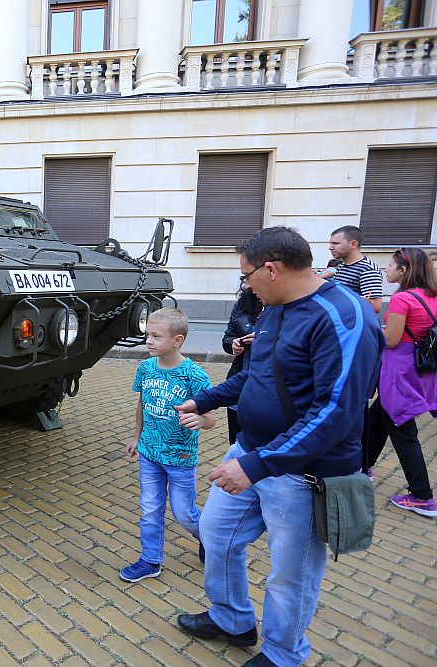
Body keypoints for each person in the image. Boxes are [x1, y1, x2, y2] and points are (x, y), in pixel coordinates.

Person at [175, 226, 384, 667]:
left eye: (247, 276)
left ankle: (283, 654)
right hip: (252, 453)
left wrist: (257, 465)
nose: (245, 286)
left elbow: (337, 411)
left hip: (301, 471)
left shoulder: (344, 316)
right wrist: (206, 398)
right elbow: (257, 374)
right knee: (216, 535)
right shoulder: (274, 308)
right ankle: (232, 619)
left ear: (271, 269)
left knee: (292, 574)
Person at [121, 308, 214, 583]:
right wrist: (136, 437)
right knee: (150, 509)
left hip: (180, 458)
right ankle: (150, 560)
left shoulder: (194, 375)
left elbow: (211, 419)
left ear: (178, 340)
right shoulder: (145, 368)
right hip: (149, 453)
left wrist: (201, 419)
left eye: (156, 336)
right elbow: (142, 404)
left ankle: (210, 538)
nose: (148, 341)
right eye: (147, 334)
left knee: (184, 513)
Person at [364, 247, 437, 516]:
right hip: (420, 369)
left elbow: (391, 340)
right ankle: (364, 467)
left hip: (399, 372)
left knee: (403, 431)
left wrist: (368, 332)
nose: (386, 270)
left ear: (404, 271)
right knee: (376, 419)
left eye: (390, 266)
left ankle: (422, 496)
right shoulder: (431, 295)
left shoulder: (402, 299)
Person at [221, 287, 263, 445]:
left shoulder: (286, 304)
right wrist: (233, 344)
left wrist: (262, 338)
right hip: (240, 380)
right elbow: (228, 337)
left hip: (268, 387)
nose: (245, 284)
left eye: (248, 276)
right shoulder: (243, 303)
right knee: (236, 442)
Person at [328, 225, 383, 313]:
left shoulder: (367, 269)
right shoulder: (342, 266)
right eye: (330, 243)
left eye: (336, 243)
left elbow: (375, 307)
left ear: (353, 244)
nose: (330, 247)